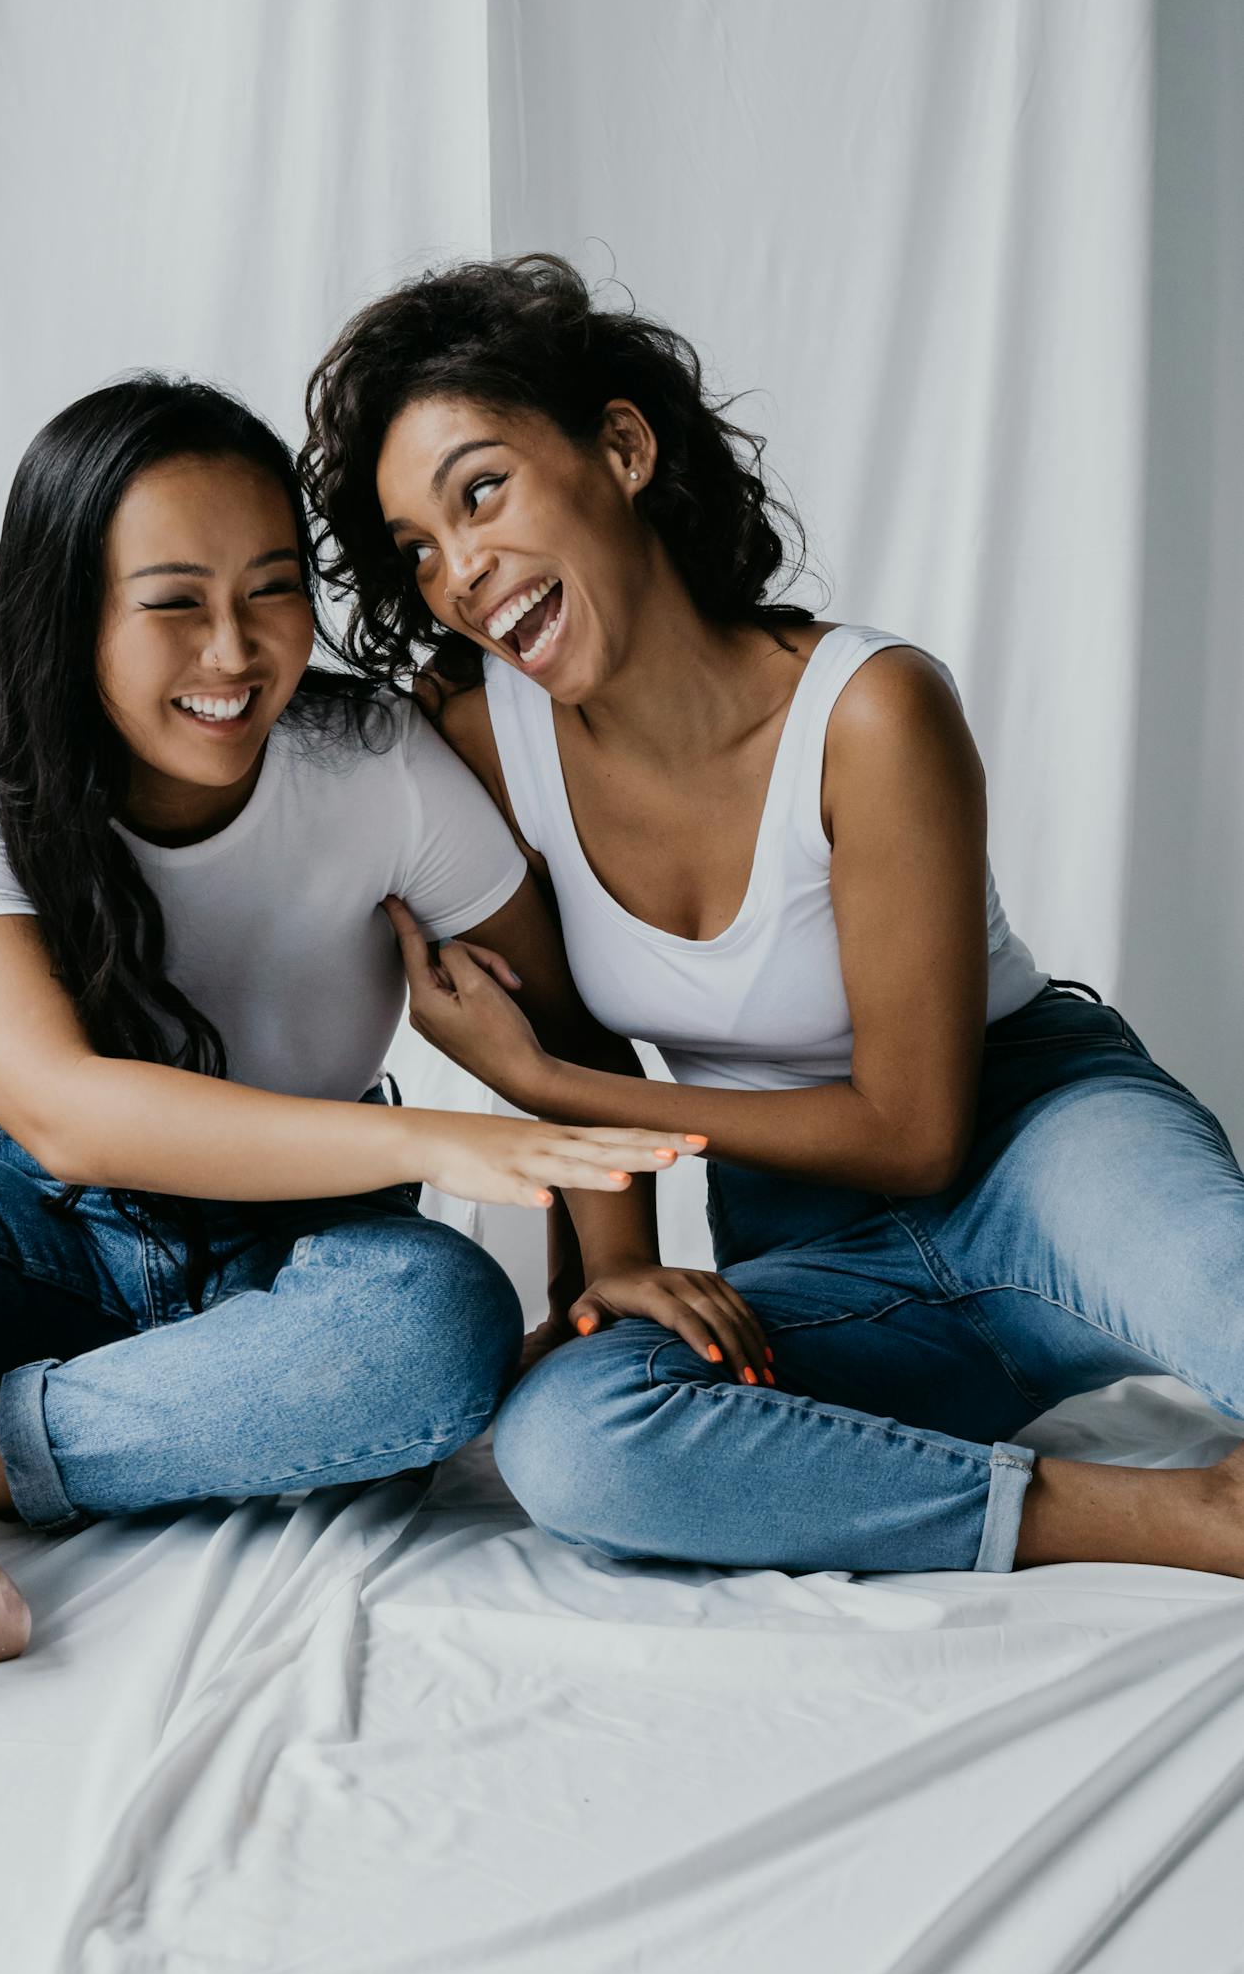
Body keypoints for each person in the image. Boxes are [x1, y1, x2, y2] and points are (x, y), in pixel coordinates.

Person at [0, 374, 682, 1704]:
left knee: (440, 1320)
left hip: (308, 1263)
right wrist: (427, 1135)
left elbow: (569, 1030)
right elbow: (64, 1112)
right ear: (70, 612)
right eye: (172, 604)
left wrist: (609, 1277)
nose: (233, 652)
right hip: (37, 1238)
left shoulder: (374, 761)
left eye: (270, 590)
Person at [301, 253, 1244, 1581]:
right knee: (568, 1439)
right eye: (419, 548)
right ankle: (1176, 1521)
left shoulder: (868, 712)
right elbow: (574, 1039)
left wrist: (536, 1081)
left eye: (482, 492)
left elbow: (911, 1135)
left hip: (1048, 1154)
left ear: (619, 448)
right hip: (813, 1253)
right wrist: (607, 1271)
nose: (459, 573)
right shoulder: (483, 743)